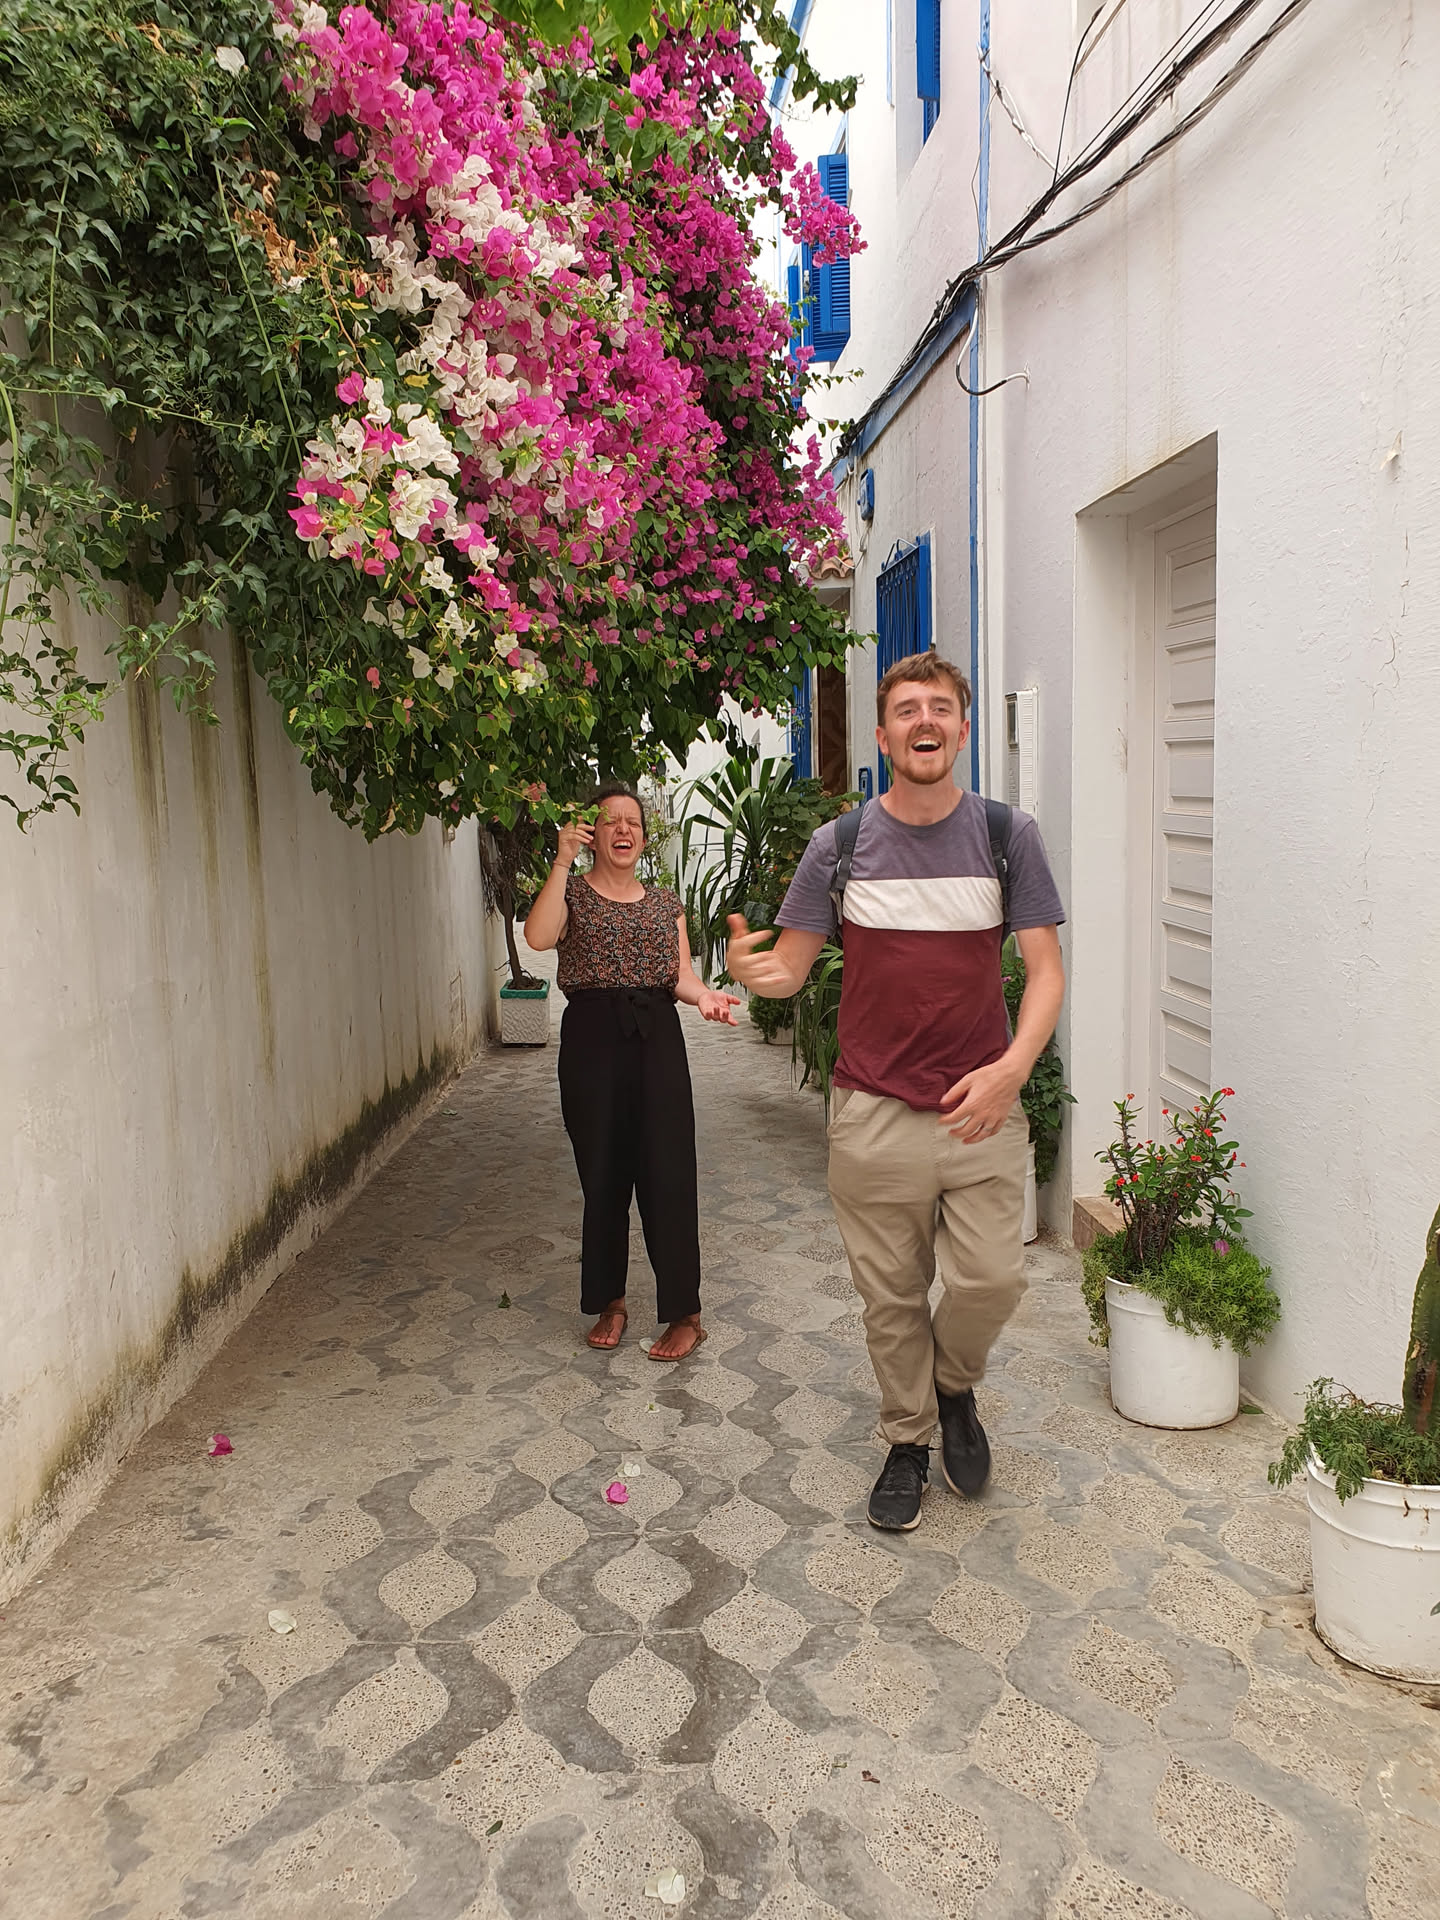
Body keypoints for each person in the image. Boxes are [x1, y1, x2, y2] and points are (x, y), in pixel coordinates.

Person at [726, 652, 1066, 1530]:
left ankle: (953, 1385)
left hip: (980, 1107)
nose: (925, 721)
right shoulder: (839, 848)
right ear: (883, 738)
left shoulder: (1007, 836)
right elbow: (789, 971)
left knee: (993, 1281)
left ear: (962, 729)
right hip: (873, 1110)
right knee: (891, 1300)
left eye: (940, 708)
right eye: (908, 709)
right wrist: (750, 972)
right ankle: (909, 1442)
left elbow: (1046, 971)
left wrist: (1012, 1070)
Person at [525, 783, 739, 1360]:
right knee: (602, 1175)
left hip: (657, 1041)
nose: (623, 829)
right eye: (610, 821)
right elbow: (538, 937)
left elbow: (681, 974)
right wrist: (561, 860)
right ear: (592, 834)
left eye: (633, 822)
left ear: (644, 837)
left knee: (669, 1172)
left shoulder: (666, 903)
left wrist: (704, 997)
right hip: (591, 1042)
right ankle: (610, 1302)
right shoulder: (571, 891)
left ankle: (685, 1314)